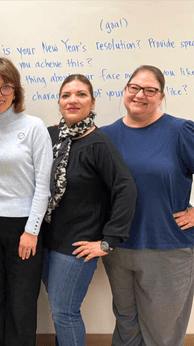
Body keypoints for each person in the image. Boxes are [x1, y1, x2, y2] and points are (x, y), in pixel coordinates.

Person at [102, 65, 194, 346]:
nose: (140, 95)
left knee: (162, 335)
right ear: (126, 90)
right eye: (134, 88)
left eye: (150, 90)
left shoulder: (180, 131)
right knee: (127, 327)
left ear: (161, 96)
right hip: (118, 249)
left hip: (168, 247)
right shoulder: (106, 136)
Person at [41, 74, 137, 346]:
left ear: (92, 102)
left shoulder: (98, 143)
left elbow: (126, 189)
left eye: (81, 94)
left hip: (77, 245)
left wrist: (108, 242)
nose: (73, 100)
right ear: (59, 102)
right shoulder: (51, 136)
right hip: (49, 240)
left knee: (65, 313)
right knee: (59, 312)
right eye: (66, 95)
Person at [0, 57, 52, 346]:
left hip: (24, 226)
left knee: (21, 303)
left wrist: (31, 230)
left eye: (5, 87)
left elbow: (43, 184)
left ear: (16, 92)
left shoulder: (33, 127)